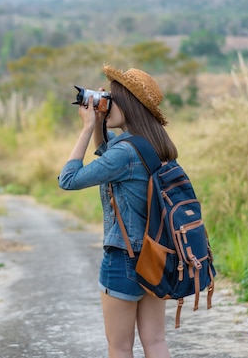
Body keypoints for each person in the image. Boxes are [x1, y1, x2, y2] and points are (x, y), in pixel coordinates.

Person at [58, 65, 177, 358]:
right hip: (156, 254)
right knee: (156, 342)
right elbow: (108, 155)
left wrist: (87, 127)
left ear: (130, 105)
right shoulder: (155, 146)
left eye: (113, 97)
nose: (107, 103)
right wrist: (99, 121)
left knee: (120, 347)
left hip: (123, 258)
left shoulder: (124, 154)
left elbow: (68, 180)